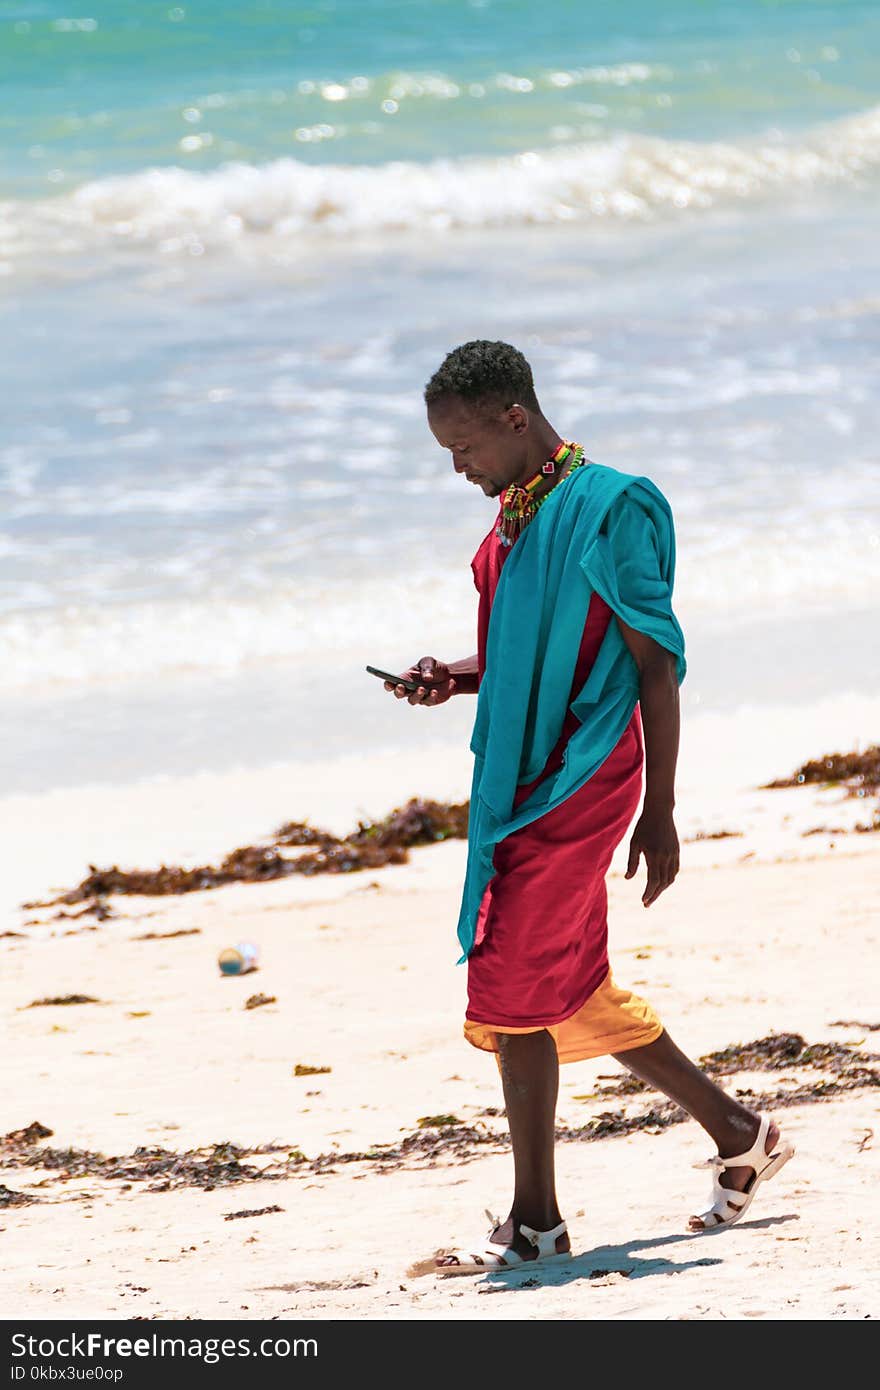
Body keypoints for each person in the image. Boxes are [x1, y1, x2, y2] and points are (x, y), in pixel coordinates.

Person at [386, 340, 793, 1276]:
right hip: (517, 777)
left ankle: (536, 1222)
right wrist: (448, 678)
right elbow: (535, 656)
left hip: (588, 775)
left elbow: (653, 662)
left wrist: (663, 808)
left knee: (508, 982)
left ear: (515, 420)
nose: (459, 468)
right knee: (562, 983)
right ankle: (742, 1133)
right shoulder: (507, 529)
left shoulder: (615, 507)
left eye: (464, 448)